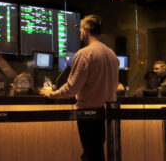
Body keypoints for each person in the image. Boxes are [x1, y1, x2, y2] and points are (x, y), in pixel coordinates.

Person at [41, 14, 119, 161]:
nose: (80, 34)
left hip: (88, 114)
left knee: (91, 155)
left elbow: (71, 88)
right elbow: (114, 85)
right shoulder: (111, 54)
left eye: (80, 30)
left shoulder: (84, 54)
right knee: (96, 153)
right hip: (106, 113)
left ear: (85, 29)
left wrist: (51, 94)